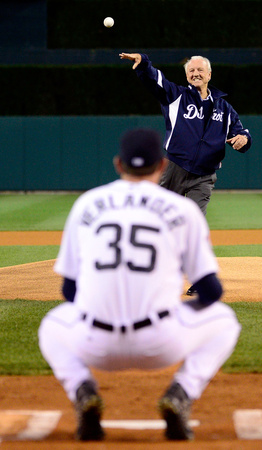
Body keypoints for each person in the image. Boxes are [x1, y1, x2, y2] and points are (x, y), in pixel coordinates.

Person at [38, 128, 241, 442]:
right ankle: (180, 393)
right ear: (162, 165)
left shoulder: (87, 204)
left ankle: (83, 390)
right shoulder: (183, 210)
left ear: (118, 165)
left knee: (51, 325)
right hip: (160, 342)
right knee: (226, 321)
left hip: (96, 342)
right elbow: (212, 292)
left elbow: (69, 291)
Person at [119, 52, 252, 294]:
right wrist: (144, 63)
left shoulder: (224, 107)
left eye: (200, 70)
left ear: (209, 75)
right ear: (186, 75)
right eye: (191, 71)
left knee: (194, 227)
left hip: (204, 176)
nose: (195, 74)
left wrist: (244, 139)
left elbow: (242, 132)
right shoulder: (176, 96)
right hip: (174, 170)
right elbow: (155, 80)